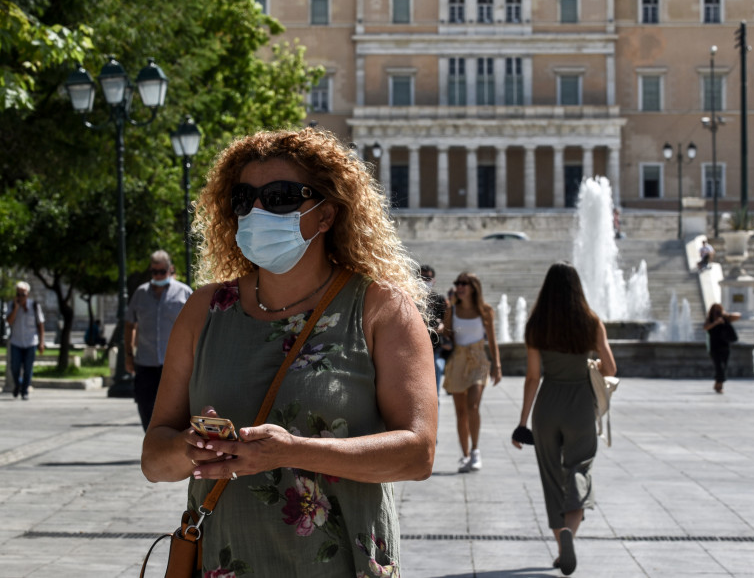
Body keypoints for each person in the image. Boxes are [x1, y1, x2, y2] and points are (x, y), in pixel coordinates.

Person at [140, 128, 437, 576]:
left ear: (326, 214)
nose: (257, 210)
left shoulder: (380, 309)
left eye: (279, 196)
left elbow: (418, 453)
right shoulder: (203, 311)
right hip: (226, 561)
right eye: (244, 198)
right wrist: (190, 449)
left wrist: (292, 450)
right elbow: (154, 460)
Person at [512, 262, 616, 576]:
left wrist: (522, 422)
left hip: (548, 405)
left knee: (550, 476)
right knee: (579, 468)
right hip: (581, 404)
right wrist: (592, 362)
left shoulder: (536, 324)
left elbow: (532, 377)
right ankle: (571, 529)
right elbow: (610, 368)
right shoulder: (591, 321)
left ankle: (561, 547)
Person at [125, 250, 193, 431]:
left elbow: (196, 326)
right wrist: (128, 355)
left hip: (175, 365)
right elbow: (129, 324)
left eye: (162, 271)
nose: (158, 275)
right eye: (154, 272)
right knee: (146, 410)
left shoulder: (184, 293)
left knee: (177, 414)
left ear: (170, 269)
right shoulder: (140, 294)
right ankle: (151, 447)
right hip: (146, 365)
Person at [442, 272, 501, 473]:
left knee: (473, 406)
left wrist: (497, 366)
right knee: (460, 412)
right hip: (458, 360)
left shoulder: (485, 311)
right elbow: (447, 335)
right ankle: (465, 454)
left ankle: (475, 451)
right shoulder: (452, 310)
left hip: (478, 360)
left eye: (464, 283)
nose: (459, 286)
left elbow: (492, 341)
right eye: (457, 283)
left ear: (474, 286)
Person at [6, 281, 45, 400]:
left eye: (23, 294)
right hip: (16, 342)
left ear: (27, 294)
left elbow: (40, 325)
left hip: (30, 342)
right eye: (18, 294)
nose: (20, 297)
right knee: (15, 367)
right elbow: (9, 322)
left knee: (28, 368)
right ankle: (18, 384)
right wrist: (16, 308)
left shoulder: (34, 306)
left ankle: (25, 391)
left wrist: (41, 342)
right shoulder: (12, 305)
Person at [420, 264, 448, 399]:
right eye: (421, 277)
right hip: (415, 348)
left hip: (433, 347)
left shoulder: (439, 300)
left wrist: (441, 326)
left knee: (433, 393)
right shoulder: (409, 298)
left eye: (427, 278)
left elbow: (446, 321)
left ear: (433, 280)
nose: (424, 281)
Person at [704, 303, 741, 394]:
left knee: (724, 366)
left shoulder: (725, 318)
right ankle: (720, 386)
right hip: (714, 347)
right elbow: (705, 327)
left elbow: (739, 315)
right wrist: (716, 323)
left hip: (725, 346)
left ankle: (718, 383)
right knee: (719, 366)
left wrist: (726, 314)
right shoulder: (710, 320)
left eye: (719, 310)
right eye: (715, 310)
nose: (717, 312)